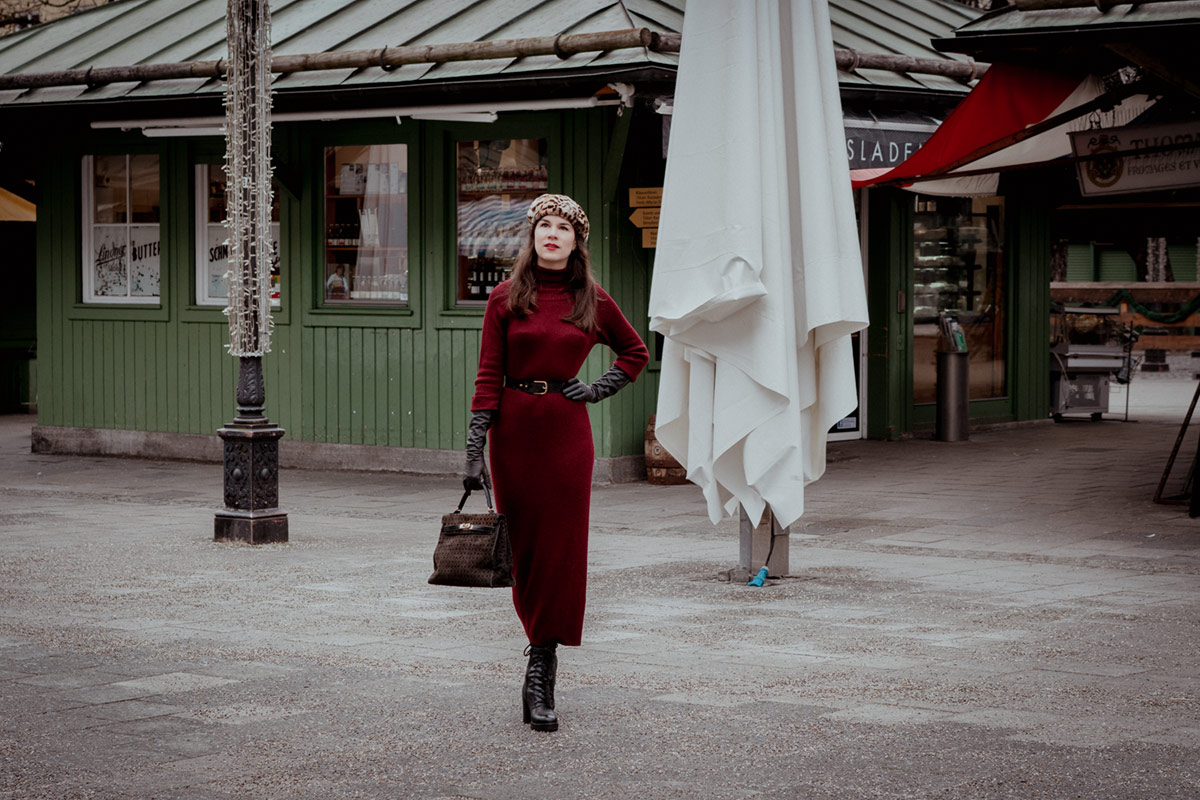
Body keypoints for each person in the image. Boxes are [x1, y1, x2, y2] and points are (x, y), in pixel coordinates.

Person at [465, 194, 649, 733]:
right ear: (533, 235)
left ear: (576, 241)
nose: (552, 233)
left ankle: (542, 669)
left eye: (563, 227)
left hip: (568, 436)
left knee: (562, 553)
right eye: (544, 224)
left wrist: (594, 390)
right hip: (514, 435)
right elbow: (486, 378)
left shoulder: (591, 298)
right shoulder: (504, 298)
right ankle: (537, 650)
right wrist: (474, 451)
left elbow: (635, 352)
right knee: (524, 551)